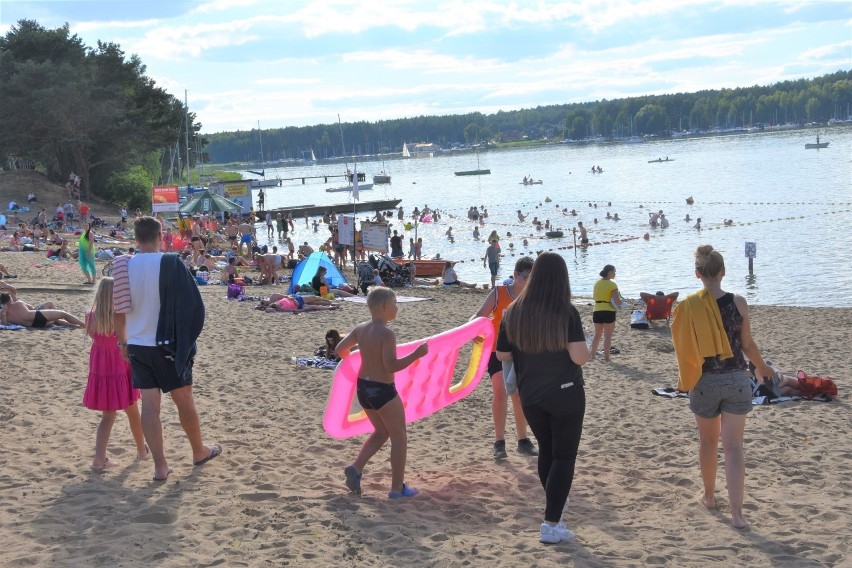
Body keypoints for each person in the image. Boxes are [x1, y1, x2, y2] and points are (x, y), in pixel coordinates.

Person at [112, 216, 221, 482]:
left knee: (150, 406)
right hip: (167, 345)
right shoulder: (171, 262)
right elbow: (194, 306)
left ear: (136, 240)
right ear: (162, 236)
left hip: (138, 344)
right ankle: (198, 451)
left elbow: (118, 311)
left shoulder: (123, 266)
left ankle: (160, 467)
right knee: (184, 400)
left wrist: (123, 341)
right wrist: (186, 341)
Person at [671, 245, 772, 530]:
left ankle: (709, 496)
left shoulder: (689, 306)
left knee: (707, 442)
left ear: (697, 274)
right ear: (723, 272)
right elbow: (747, 346)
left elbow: (684, 346)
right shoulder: (739, 302)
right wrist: (762, 369)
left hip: (704, 380)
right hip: (738, 379)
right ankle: (738, 514)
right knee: (734, 448)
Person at [496, 252, 589, 544]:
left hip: (531, 395)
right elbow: (580, 357)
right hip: (565, 393)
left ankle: (555, 506)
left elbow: (502, 354)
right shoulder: (566, 311)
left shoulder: (514, 311)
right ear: (563, 279)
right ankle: (551, 523)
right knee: (564, 456)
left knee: (548, 451)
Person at [335, 288, 429, 498]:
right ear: (386, 307)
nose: (397, 308)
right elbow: (391, 366)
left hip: (363, 388)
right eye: (395, 305)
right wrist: (416, 354)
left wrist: (358, 359)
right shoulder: (387, 333)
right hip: (382, 390)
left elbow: (340, 350)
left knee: (381, 432)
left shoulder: (360, 328)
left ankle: (356, 467)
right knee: (399, 437)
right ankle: (397, 489)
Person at [472, 256, 537, 459]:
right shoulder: (499, 293)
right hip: (495, 350)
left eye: (532, 278)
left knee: (517, 393)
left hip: (521, 352)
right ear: (516, 275)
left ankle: (523, 440)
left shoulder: (533, 297)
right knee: (500, 389)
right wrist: (472, 331)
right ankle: (499, 442)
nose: (528, 281)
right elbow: (478, 316)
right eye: (525, 277)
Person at [84, 278, 148, 470]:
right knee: (132, 410)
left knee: (108, 415)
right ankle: (141, 450)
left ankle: (99, 458)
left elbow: (92, 336)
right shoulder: (121, 318)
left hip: (101, 369)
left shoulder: (90, 317)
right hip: (120, 367)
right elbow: (128, 340)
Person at [591, 264, 626, 361]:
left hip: (597, 310)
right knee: (607, 336)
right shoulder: (612, 284)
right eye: (614, 271)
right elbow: (617, 301)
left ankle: (592, 355)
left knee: (597, 335)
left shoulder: (597, 283)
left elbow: (594, 297)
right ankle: (606, 358)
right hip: (608, 311)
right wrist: (623, 304)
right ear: (610, 272)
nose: (615, 274)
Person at [0, 292, 84, 328]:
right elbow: (31, 307)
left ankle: (75, 326)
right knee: (63, 314)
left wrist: (3, 313)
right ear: (10, 299)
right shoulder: (18, 303)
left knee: (55, 320)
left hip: (34, 325)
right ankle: (83, 324)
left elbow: (5, 324)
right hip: (37, 316)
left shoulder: (3, 313)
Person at [255, 293, 338, 312]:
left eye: (263, 301)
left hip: (297, 300)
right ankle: (330, 305)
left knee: (313, 298)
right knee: (316, 303)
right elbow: (266, 309)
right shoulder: (274, 306)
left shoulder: (273, 297)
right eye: (263, 303)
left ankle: (330, 302)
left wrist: (289, 297)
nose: (264, 303)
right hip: (297, 305)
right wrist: (259, 307)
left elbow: (284, 296)